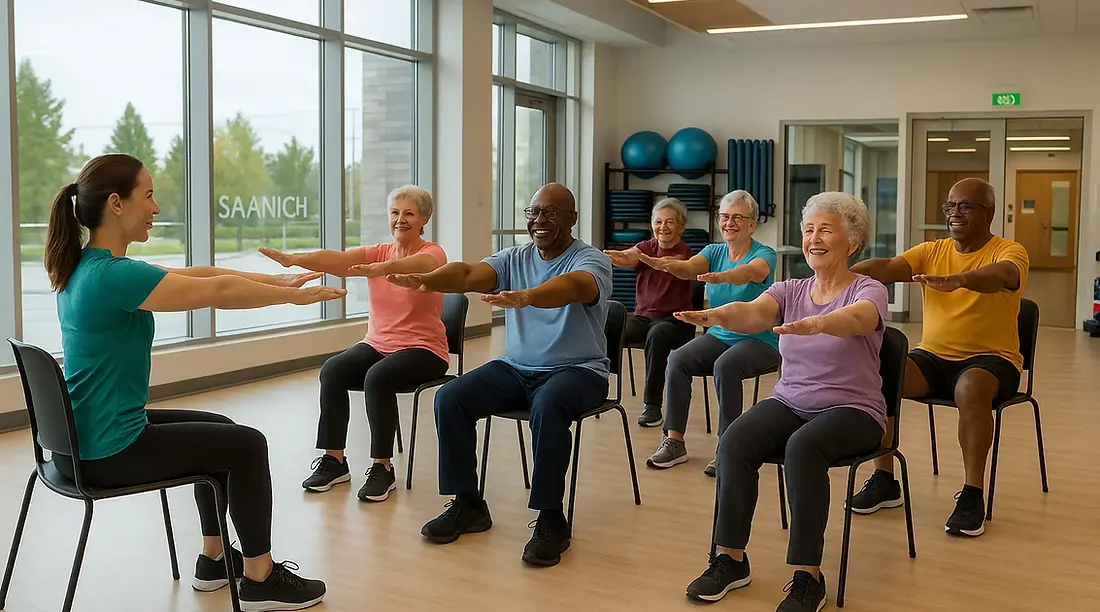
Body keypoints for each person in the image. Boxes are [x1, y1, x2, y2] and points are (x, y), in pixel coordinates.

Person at [45, 154, 330, 611]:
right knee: (248, 444)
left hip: (80, 440)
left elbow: (201, 276)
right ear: (116, 204)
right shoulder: (114, 276)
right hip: (107, 452)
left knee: (219, 428)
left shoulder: (85, 268)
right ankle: (260, 577)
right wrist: (289, 299)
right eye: (149, 195)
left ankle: (214, 561)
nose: (156, 208)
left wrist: (275, 280)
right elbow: (214, 293)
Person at [678, 192, 888, 612]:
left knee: (802, 448)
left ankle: (808, 576)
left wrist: (819, 323)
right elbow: (755, 313)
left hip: (855, 410)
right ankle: (730, 559)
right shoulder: (790, 289)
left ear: (854, 240)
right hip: (792, 400)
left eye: (826, 229)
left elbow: (860, 318)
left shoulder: (868, 289)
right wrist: (719, 316)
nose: (814, 238)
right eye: (809, 229)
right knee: (734, 442)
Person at [387, 183, 611, 568]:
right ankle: (468, 504)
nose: (540, 221)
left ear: (572, 219)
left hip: (579, 370)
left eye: (551, 213)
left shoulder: (591, 260)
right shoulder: (514, 258)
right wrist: (430, 280)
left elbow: (574, 287)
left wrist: (528, 296)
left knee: (549, 403)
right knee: (450, 398)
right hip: (518, 368)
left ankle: (551, 518)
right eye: (534, 212)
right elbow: (471, 273)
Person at [849, 177, 1029, 537]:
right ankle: (885, 478)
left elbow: (1004, 275)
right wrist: (840, 273)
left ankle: (972, 494)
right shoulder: (932, 250)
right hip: (932, 359)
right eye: (950, 206)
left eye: (965, 206)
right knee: (880, 374)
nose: (955, 213)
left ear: (989, 212)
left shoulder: (1009, 251)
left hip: (993, 361)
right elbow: (887, 267)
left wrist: (963, 280)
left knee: (971, 387)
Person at [260, 185, 449, 503]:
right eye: (394, 212)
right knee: (333, 370)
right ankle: (335, 460)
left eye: (409, 213)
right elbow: (338, 259)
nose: (400, 219)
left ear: (424, 219)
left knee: (378, 376)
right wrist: (295, 259)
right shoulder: (378, 252)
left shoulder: (433, 253)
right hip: (378, 343)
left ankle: (382, 467)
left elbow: (422, 266)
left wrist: (384, 268)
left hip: (424, 349)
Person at [634, 190, 780, 476]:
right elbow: (690, 268)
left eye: (738, 217)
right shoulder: (713, 252)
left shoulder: (765, 254)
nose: (729, 223)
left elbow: (751, 272)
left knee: (726, 365)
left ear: (752, 224)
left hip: (759, 339)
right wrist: (665, 264)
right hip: (721, 334)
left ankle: (728, 446)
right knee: (678, 360)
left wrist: (723, 276)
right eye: (725, 217)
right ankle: (674, 441)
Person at [603, 198, 696, 428]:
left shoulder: (687, 255)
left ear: (681, 227)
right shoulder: (645, 247)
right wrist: (609, 256)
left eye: (670, 222)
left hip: (677, 322)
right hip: (644, 318)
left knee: (658, 335)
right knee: (611, 324)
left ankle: (652, 406)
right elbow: (628, 257)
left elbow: (670, 263)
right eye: (658, 222)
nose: (663, 227)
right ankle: (595, 386)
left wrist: (653, 261)